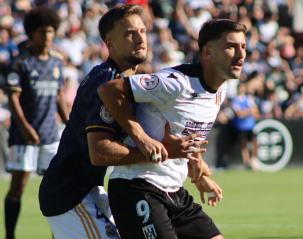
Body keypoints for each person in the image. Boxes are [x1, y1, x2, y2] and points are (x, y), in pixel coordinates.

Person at [38, 5, 209, 239]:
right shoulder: (107, 80)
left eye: (142, 30)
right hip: (70, 195)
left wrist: (194, 164)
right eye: (130, 34)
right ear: (110, 45)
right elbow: (99, 152)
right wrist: (164, 152)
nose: (140, 38)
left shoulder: (132, 83)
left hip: (89, 190)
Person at [97, 19, 247, 239]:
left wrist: (198, 174)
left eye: (243, 46)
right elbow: (108, 90)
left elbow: (188, 134)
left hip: (174, 189)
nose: (240, 54)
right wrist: (140, 138)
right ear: (208, 52)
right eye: (231, 46)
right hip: (137, 186)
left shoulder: (220, 90)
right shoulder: (175, 82)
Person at [4, 7, 69, 239]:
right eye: (43, 31)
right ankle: (10, 235)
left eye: (51, 31)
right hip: (24, 136)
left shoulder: (58, 60)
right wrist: (24, 126)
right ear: (32, 33)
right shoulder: (20, 63)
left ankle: (57, 235)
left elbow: (60, 94)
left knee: (54, 188)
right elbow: (12, 97)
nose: (48, 35)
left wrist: (69, 123)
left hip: (50, 135)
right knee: (18, 186)